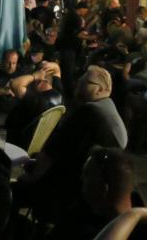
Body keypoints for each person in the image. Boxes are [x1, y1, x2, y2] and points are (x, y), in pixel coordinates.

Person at [16, 66, 127, 221]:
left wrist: (30, 178)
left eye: (84, 82)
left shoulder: (89, 113)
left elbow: (53, 154)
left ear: (100, 89)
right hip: (91, 193)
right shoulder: (109, 109)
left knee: (14, 190)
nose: (77, 83)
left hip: (68, 191)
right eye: (79, 79)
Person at [51, 147, 147, 240]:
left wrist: (133, 215)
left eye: (87, 174)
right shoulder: (82, 209)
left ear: (104, 188)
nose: (81, 178)